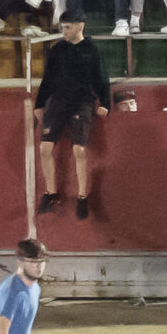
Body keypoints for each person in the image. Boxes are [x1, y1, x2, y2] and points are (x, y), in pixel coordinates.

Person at [33, 13, 108, 220]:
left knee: (80, 150)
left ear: (79, 26)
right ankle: (51, 192)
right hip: (58, 101)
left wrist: (105, 102)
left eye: (67, 27)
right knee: (44, 148)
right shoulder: (58, 49)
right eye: (63, 27)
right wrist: (40, 103)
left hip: (82, 100)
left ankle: (82, 195)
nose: (64, 31)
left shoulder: (91, 50)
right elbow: (48, 78)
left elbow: (101, 78)